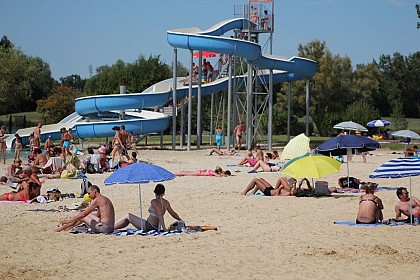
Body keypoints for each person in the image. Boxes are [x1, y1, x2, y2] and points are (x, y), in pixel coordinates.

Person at [115, 184, 182, 232]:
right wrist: (180, 219)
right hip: (154, 226)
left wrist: (164, 228)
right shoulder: (166, 202)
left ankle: (110, 227)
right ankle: (113, 227)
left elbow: (160, 215)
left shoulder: (154, 201)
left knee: (128, 215)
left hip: (149, 226)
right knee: (127, 219)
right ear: (163, 192)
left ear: (155, 192)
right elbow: (173, 213)